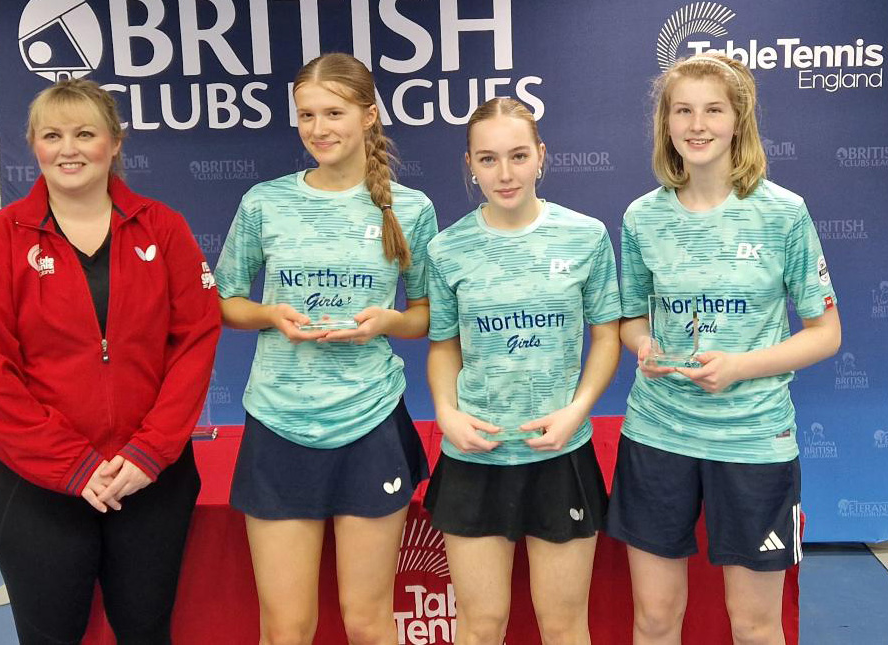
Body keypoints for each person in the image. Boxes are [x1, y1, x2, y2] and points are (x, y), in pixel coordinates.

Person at [0, 79, 221, 644]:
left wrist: (150, 451)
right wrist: (71, 465)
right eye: (52, 135)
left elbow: (195, 342)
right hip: (36, 487)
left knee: (147, 632)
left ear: (115, 142)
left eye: (84, 134)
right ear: (34, 144)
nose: (68, 149)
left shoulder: (163, 228)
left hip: (148, 479)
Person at [606, 53, 841, 645]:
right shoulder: (641, 217)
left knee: (755, 625)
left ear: (739, 120)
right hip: (658, 435)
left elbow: (826, 333)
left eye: (713, 110)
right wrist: (644, 345)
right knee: (654, 619)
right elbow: (630, 319)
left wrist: (740, 367)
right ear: (665, 122)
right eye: (682, 110)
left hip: (754, 439)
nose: (697, 125)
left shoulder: (783, 213)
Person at [214, 53, 438, 645]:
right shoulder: (264, 202)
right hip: (278, 421)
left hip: (370, 423)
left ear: (368, 115)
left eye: (334, 113)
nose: (318, 128)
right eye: (306, 115)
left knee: (367, 622)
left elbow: (426, 316)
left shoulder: (411, 208)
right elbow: (225, 300)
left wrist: (386, 322)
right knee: (287, 628)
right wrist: (270, 315)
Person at [424, 97, 622, 645]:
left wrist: (577, 411)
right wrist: (446, 413)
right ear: (470, 164)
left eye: (518, 156)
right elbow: (443, 347)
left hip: (559, 454)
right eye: (488, 159)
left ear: (541, 156)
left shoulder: (586, 236)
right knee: (481, 626)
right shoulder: (447, 248)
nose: (505, 174)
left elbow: (607, 336)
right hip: (475, 455)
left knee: (563, 627)